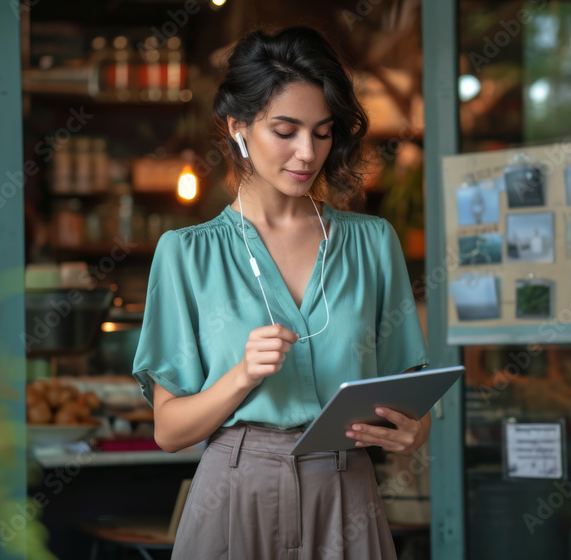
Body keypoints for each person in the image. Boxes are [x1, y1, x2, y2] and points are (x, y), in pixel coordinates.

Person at [132, 27, 428, 559]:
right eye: (285, 130)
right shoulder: (186, 253)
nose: (306, 152)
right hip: (234, 492)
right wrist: (242, 375)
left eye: (322, 132)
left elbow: (407, 393)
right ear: (238, 127)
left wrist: (413, 431)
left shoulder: (371, 242)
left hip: (346, 490)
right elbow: (169, 431)